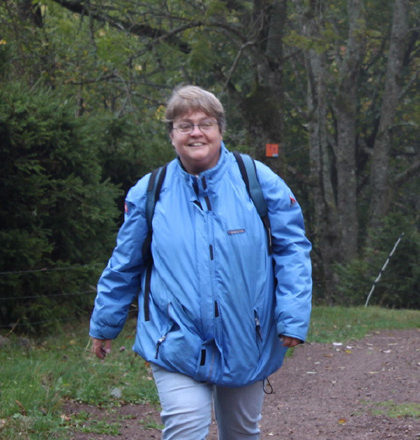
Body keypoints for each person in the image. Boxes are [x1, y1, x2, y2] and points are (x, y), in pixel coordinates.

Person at [89, 85, 312, 440]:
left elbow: (292, 250)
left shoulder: (257, 180)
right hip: (174, 336)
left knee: (241, 432)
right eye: (184, 124)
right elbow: (125, 263)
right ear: (172, 135)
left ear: (220, 129)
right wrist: (104, 323)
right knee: (184, 427)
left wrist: (293, 317)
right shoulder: (151, 191)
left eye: (205, 123)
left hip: (246, 336)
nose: (196, 132)